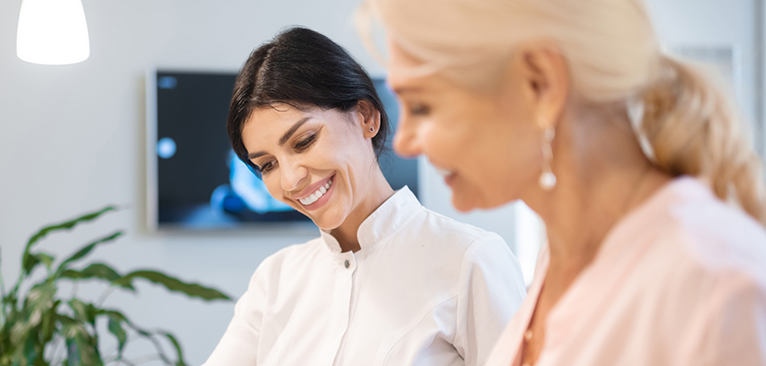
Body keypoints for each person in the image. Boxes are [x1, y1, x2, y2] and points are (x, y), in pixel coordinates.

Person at [360, 0, 766, 364]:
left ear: (540, 84)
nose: (404, 142)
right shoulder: (558, 261)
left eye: (422, 106)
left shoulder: (714, 287)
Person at [203, 27, 526, 366]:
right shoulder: (276, 279)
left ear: (365, 117)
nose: (290, 179)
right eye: (267, 165)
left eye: (304, 141)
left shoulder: (469, 260)